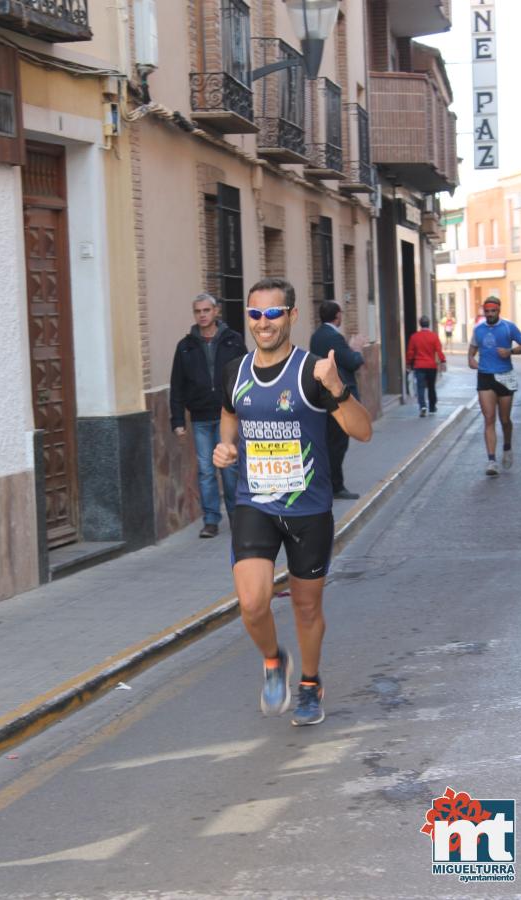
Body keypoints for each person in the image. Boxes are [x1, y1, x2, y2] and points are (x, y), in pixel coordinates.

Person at [213, 278, 372, 726]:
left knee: (306, 607)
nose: (263, 323)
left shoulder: (312, 372)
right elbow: (229, 413)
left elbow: (363, 431)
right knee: (251, 603)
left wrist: (338, 386)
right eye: (255, 314)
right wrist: (226, 446)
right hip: (256, 504)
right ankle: (271, 659)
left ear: (292, 317)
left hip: (309, 510)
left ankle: (310, 682)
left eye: (273, 313)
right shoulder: (234, 371)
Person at [170, 293, 247, 537]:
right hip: (201, 417)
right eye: (197, 311)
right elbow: (177, 385)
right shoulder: (185, 346)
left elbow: (246, 376)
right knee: (205, 469)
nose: (202, 315)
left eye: (206, 310)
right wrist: (178, 420)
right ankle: (211, 521)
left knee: (230, 468)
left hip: (229, 415)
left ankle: (238, 517)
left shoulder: (233, 341)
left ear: (216, 312)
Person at [309, 301, 366, 500]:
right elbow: (352, 362)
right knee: (338, 443)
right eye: (341, 313)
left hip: (321, 396)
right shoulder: (334, 337)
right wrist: (357, 350)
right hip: (336, 397)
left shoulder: (316, 336)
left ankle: (325, 482)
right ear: (337, 316)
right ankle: (336, 485)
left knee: (328, 442)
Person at [468, 295, 521, 477]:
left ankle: (507, 446)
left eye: (493, 311)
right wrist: (471, 360)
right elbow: (472, 351)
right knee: (489, 419)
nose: (490, 314)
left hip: (505, 375)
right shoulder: (478, 330)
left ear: (499, 310)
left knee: (505, 419)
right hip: (485, 376)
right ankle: (492, 461)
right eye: (487, 311)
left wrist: (510, 351)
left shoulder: (508, 327)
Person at [406, 315, 446, 417]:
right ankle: (432, 407)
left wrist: (408, 363)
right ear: (429, 324)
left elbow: (410, 352)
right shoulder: (434, 336)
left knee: (420, 387)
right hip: (431, 366)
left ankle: (422, 406)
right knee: (431, 387)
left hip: (419, 365)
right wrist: (443, 361)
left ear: (420, 324)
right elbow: (439, 350)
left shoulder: (414, 337)